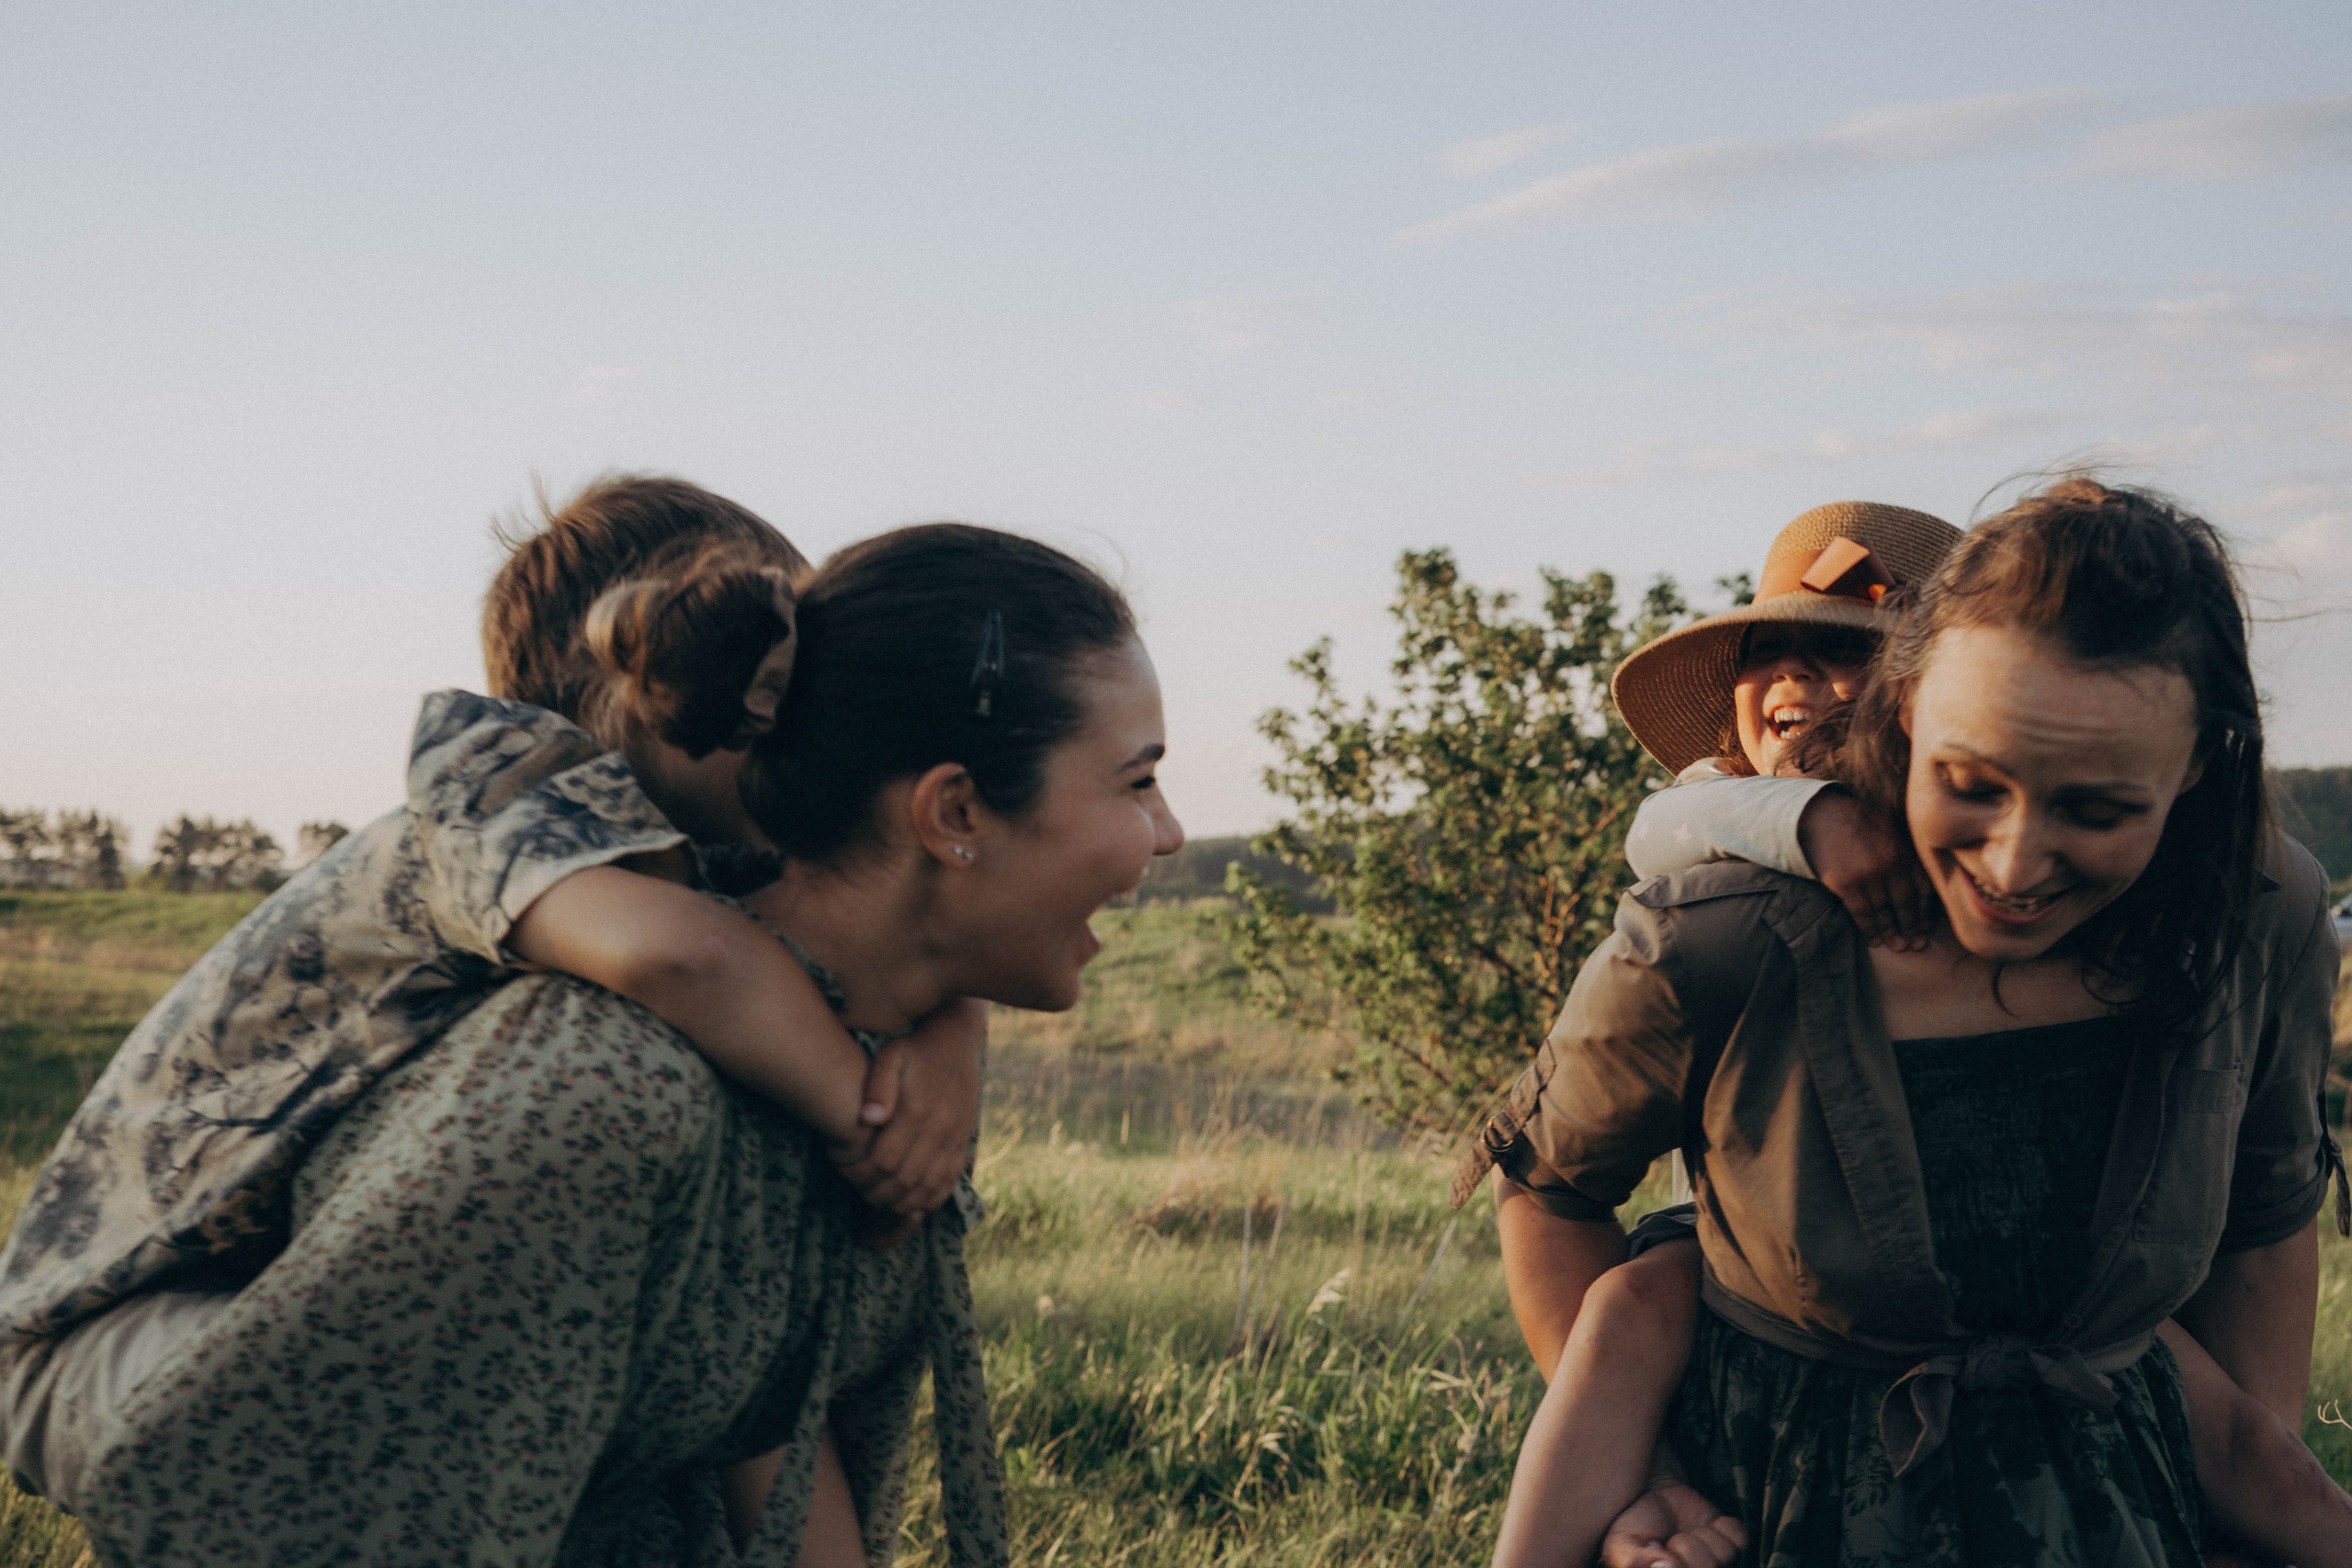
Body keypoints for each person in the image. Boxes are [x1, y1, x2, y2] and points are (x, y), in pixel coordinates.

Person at [66, 521, 1183, 1566]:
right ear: (953, 814)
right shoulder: (592, 1046)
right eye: (1138, 780)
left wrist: (943, 1031)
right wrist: (865, 1113)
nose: (1172, 831)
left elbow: (755, 1416)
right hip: (164, 1331)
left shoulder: (858, 1041)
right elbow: (304, 1500)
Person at [1465, 479, 2352, 1566]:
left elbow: (2264, 1213)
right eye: (1969, 783)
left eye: (2096, 806)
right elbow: (1549, 1186)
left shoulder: (2255, 916)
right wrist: (1650, 1478)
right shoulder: (1722, 934)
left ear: (2198, 765)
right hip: (1784, 1510)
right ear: (1907, 713)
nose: (2014, 866)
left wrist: (2242, 1491)